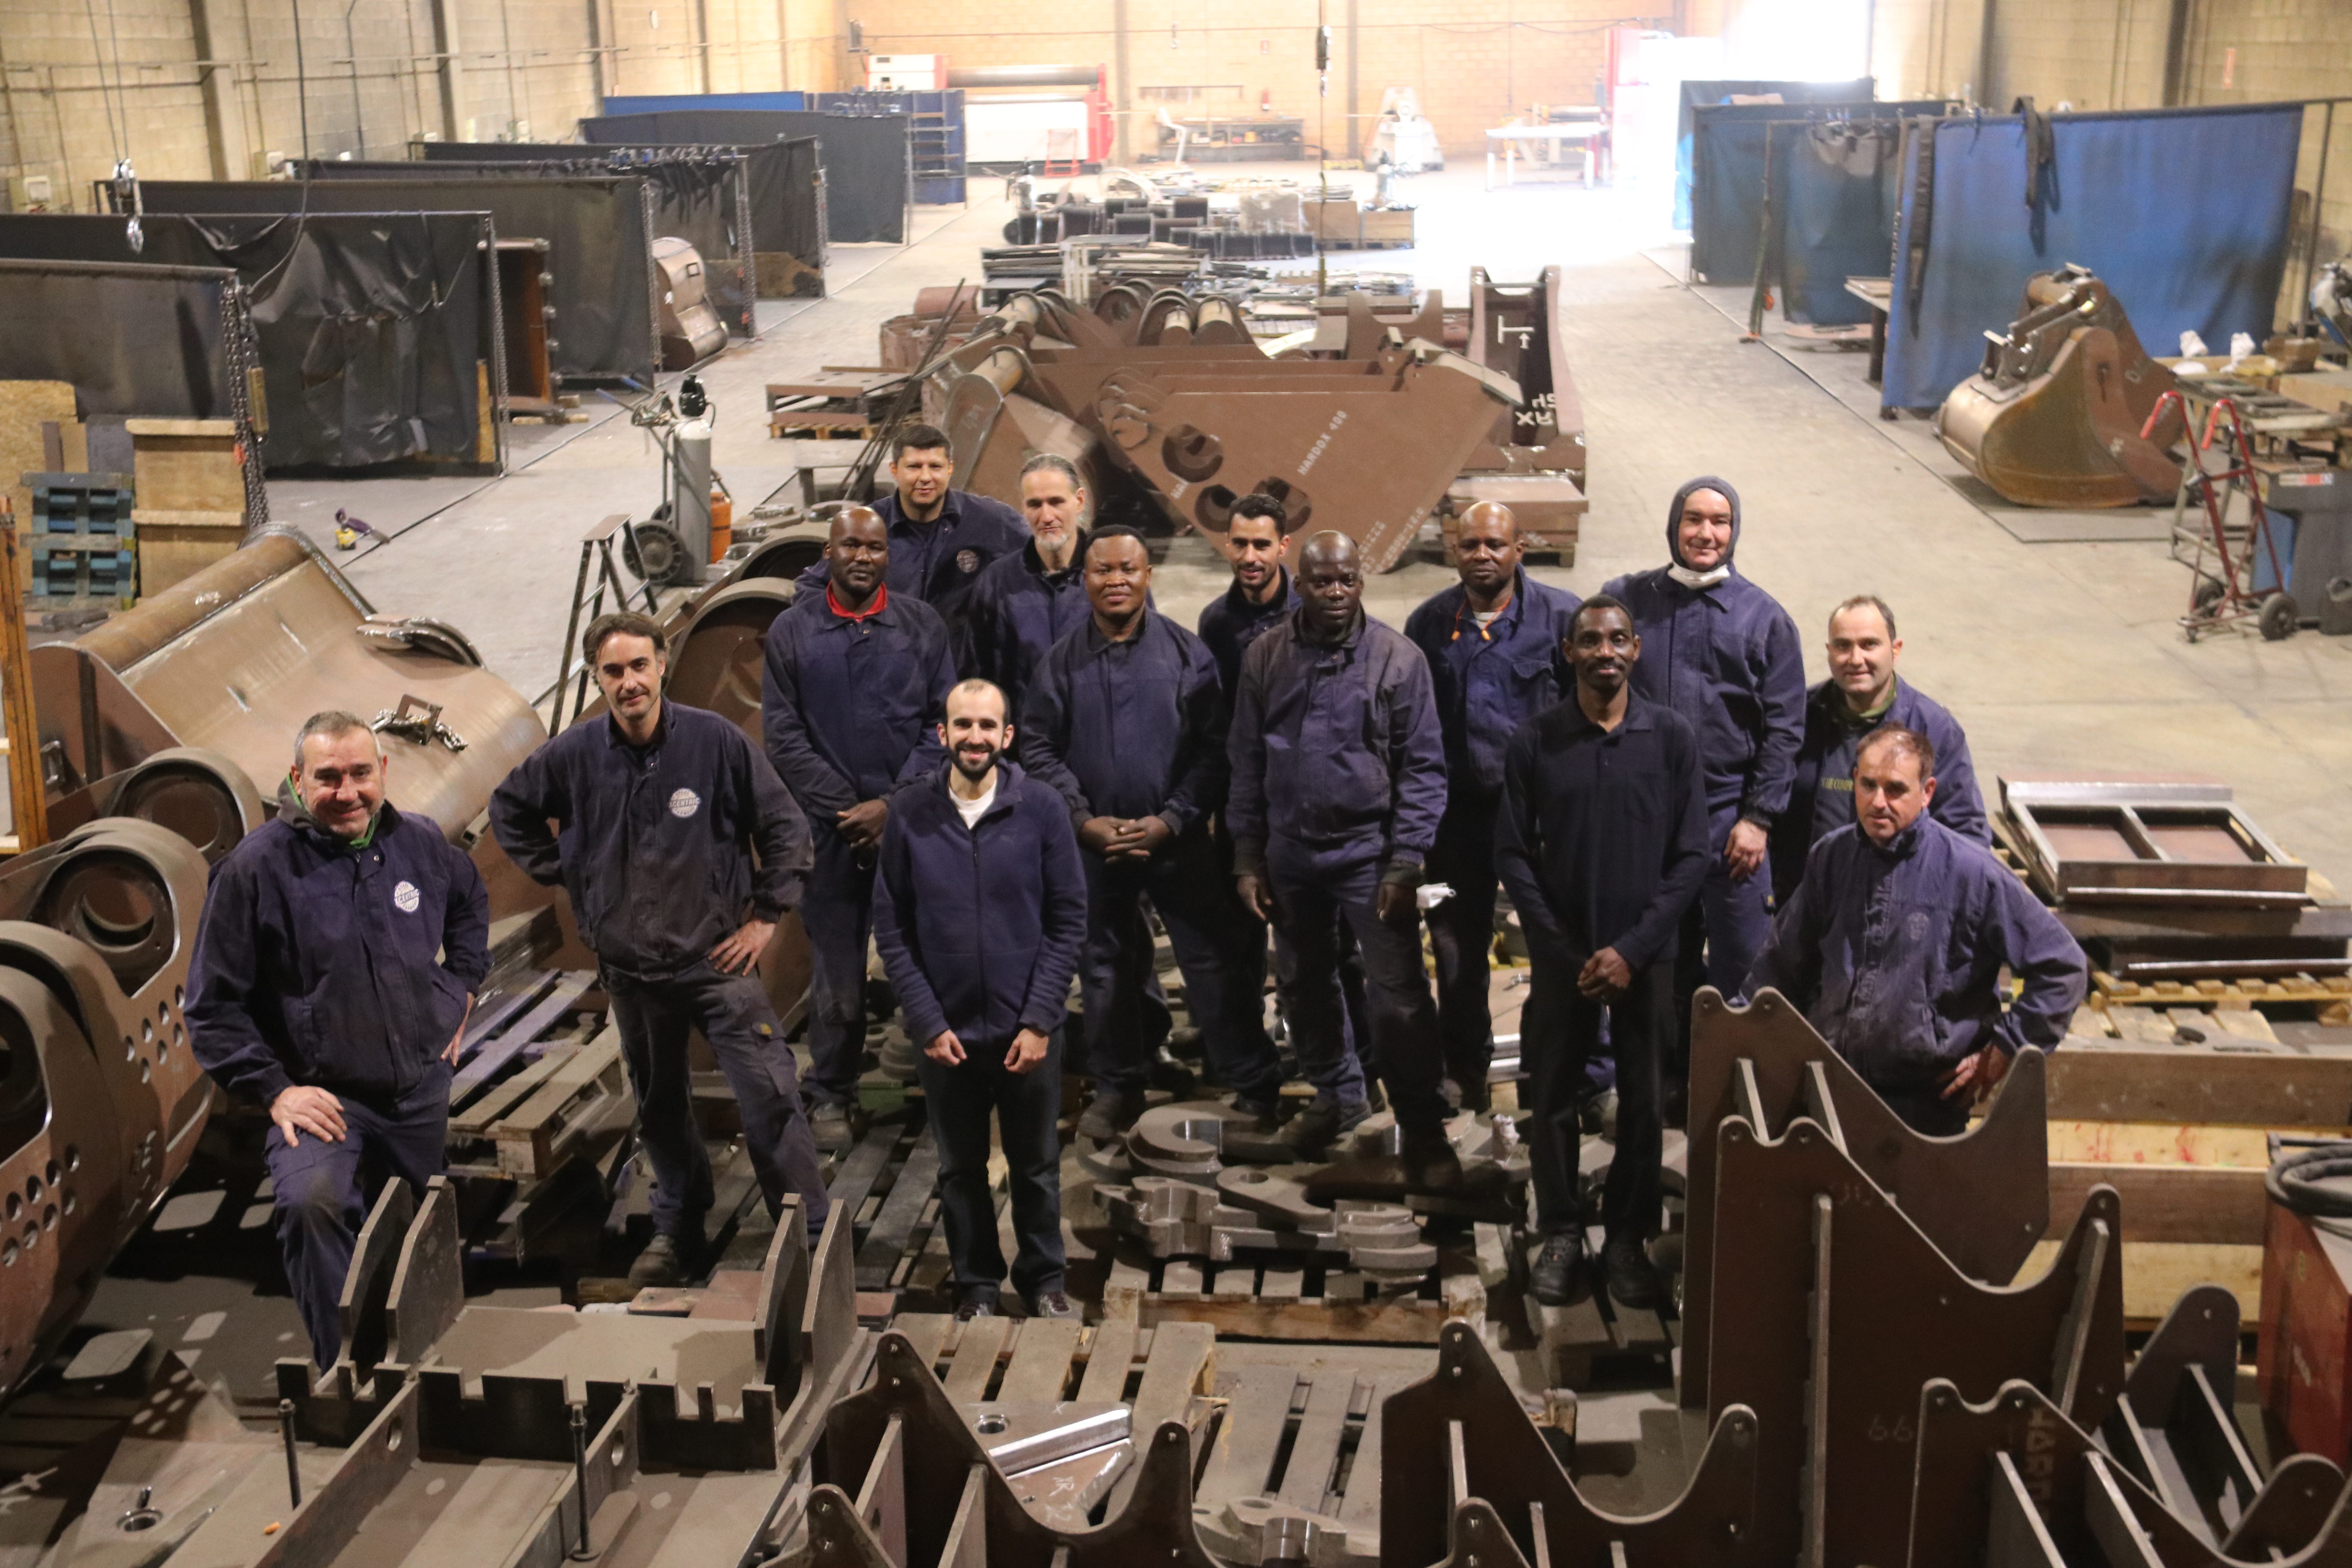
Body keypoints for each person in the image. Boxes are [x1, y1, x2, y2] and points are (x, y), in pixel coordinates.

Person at [492, 612, 829, 1287]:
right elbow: (510, 807)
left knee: (768, 1095)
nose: (629, 683)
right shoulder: (576, 754)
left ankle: (811, 1242)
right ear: (598, 678)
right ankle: (678, 1231)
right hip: (630, 973)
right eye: (613, 672)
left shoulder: (715, 744)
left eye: (639, 667)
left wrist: (764, 920)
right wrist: (571, 870)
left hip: (716, 964)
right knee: (660, 1107)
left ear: (662, 665)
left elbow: (787, 830)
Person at [188, 712, 489, 1369]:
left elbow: (469, 900)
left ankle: (422, 1366)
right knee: (313, 1205)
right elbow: (211, 1007)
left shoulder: (418, 844)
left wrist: (459, 993)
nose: (347, 791)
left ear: (383, 773)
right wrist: (275, 1092)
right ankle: (346, 1375)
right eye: (328, 778)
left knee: (418, 1233)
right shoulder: (255, 871)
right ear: (298, 781)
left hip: (416, 1091)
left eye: (360, 774)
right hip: (324, 1099)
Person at [1021, 526, 1285, 1139]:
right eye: (1102, 571)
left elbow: (1215, 752)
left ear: (1148, 576)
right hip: (1093, 849)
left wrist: (1171, 821)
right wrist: (1082, 820)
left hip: (1178, 845)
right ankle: (1120, 1085)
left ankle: (1252, 1080)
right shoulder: (1059, 664)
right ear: (1085, 580)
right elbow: (1037, 748)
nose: (1116, 580)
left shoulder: (1188, 657)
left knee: (1211, 962)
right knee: (1106, 968)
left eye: (1128, 569)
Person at [1495, 597, 1708, 1308]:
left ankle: (1625, 1238)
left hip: (1647, 959)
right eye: (1590, 641)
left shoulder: (1672, 738)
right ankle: (1559, 1230)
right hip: (1566, 957)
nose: (1605, 651)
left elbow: (1692, 857)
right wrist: (1562, 951)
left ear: (1636, 650)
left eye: (1618, 639)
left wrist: (1634, 949)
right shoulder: (1537, 741)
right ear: (1569, 651)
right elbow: (1515, 854)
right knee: (1553, 1096)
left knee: (1645, 1103)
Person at [1228, 530, 1453, 1169]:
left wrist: (1406, 859)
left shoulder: (1398, 660)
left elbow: (1425, 769)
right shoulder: (1265, 658)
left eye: (1346, 580)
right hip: (1292, 856)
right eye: (1322, 581)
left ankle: (1419, 1116)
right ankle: (1338, 1096)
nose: (1335, 592)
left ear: (1362, 583)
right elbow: (1245, 761)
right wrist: (1249, 855)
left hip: (1369, 856)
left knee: (1399, 990)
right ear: (1298, 584)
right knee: (1303, 981)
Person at [1744, 726, 2088, 1136]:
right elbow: (1782, 961)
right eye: (1868, 785)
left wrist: (2007, 1048)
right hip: (1832, 1088)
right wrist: (1740, 1026)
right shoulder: (1832, 857)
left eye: (1895, 789)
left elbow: (2063, 966)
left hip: (1926, 1107)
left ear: (1927, 792)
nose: (1878, 802)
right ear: (1854, 778)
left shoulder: (1970, 873)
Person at [873, 679, 1087, 1320]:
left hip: (1028, 1032)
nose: (975, 738)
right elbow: (893, 928)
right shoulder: (909, 814)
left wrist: (1042, 1018)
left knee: (1037, 1167)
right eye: (962, 725)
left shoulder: (1043, 809)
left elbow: (1068, 918)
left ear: (1006, 736)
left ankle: (1046, 1282)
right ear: (943, 735)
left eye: (987, 726)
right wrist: (927, 1021)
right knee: (960, 1169)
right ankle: (977, 1286)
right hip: (948, 1036)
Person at [761, 506, 957, 1145]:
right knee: (838, 971)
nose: (863, 557)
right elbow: (784, 738)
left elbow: (943, 724)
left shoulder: (921, 626)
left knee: (929, 963)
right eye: (851, 545)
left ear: (886, 555)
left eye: (875, 547)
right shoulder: (793, 632)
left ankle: (941, 1088)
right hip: (831, 835)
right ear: (830, 550)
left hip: (914, 829)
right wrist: (847, 810)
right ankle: (832, 1093)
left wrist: (895, 804)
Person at [1602, 476, 1804, 1094]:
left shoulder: (1764, 619)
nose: (1706, 534)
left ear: (1734, 531)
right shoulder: (1628, 601)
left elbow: (1784, 730)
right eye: (1694, 520)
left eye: (1720, 522)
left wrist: (1759, 818)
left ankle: (1742, 1093)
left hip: (1728, 825)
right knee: (1660, 963)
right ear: (1674, 526)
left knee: (1746, 964)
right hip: (1647, 823)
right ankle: (1663, 1089)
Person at [1403, 500, 1580, 1112]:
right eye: (1471, 544)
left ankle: (1553, 1071)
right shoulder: (1428, 625)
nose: (1483, 556)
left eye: (1495, 545)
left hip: (1538, 819)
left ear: (1519, 549)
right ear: (1455, 550)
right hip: (1457, 819)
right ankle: (1466, 1071)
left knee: (1557, 945)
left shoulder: (1562, 620)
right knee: (1455, 949)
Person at [1771, 595, 1989, 901]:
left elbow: (1966, 833)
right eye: (1843, 646)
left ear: (1895, 650)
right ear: (1830, 652)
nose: (1856, 659)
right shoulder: (1799, 719)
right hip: (1809, 905)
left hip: (1896, 909)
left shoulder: (1933, 730)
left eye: (1869, 644)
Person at [796, 423, 1028, 633]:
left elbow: (1040, 558)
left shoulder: (989, 520)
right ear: (894, 470)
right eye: (914, 467)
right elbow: (811, 587)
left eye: (935, 467)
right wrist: (846, 634)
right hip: (892, 663)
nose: (925, 477)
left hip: (960, 667)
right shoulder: (868, 526)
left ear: (950, 469)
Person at [967, 454, 1096, 711]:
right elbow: (977, 673)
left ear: (1080, 501)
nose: (1047, 517)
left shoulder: (1111, 577)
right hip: (1022, 745)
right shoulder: (998, 582)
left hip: (1094, 741)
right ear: (1023, 508)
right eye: (1035, 505)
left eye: (1056, 502)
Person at [1196, 491, 1299, 695]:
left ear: (1283, 546)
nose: (1250, 557)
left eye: (1262, 545)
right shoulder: (1214, 622)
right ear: (1227, 543)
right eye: (1240, 544)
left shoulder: (1312, 613)